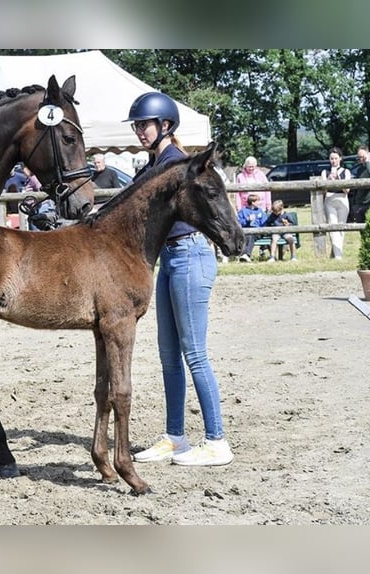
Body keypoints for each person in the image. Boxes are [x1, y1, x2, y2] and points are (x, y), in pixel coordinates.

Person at [126, 91, 233, 467]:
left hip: (190, 254)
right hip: (168, 259)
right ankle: (175, 437)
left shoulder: (179, 164)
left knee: (195, 354)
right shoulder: (152, 165)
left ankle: (217, 440)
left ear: (165, 126)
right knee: (169, 356)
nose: (140, 130)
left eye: (145, 124)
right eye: (137, 125)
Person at [320, 147, 351, 259]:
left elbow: (347, 190)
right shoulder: (325, 172)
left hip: (342, 199)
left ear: (340, 159)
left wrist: (338, 180)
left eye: (336, 158)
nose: (333, 161)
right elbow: (323, 191)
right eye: (331, 159)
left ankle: (336, 253)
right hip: (329, 199)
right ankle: (338, 256)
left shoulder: (346, 172)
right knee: (333, 226)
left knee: (341, 227)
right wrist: (328, 180)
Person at [236, 193, 268, 262]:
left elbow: (264, 223)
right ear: (253, 202)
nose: (259, 203)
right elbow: (239, 223)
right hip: (245, 231)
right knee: (246, 236)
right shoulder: (243, 211)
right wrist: (247, 220)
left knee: (251, 236)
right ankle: (243, 256)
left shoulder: (260, 211)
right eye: (258, 201)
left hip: (257, 232)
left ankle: (246, 255)